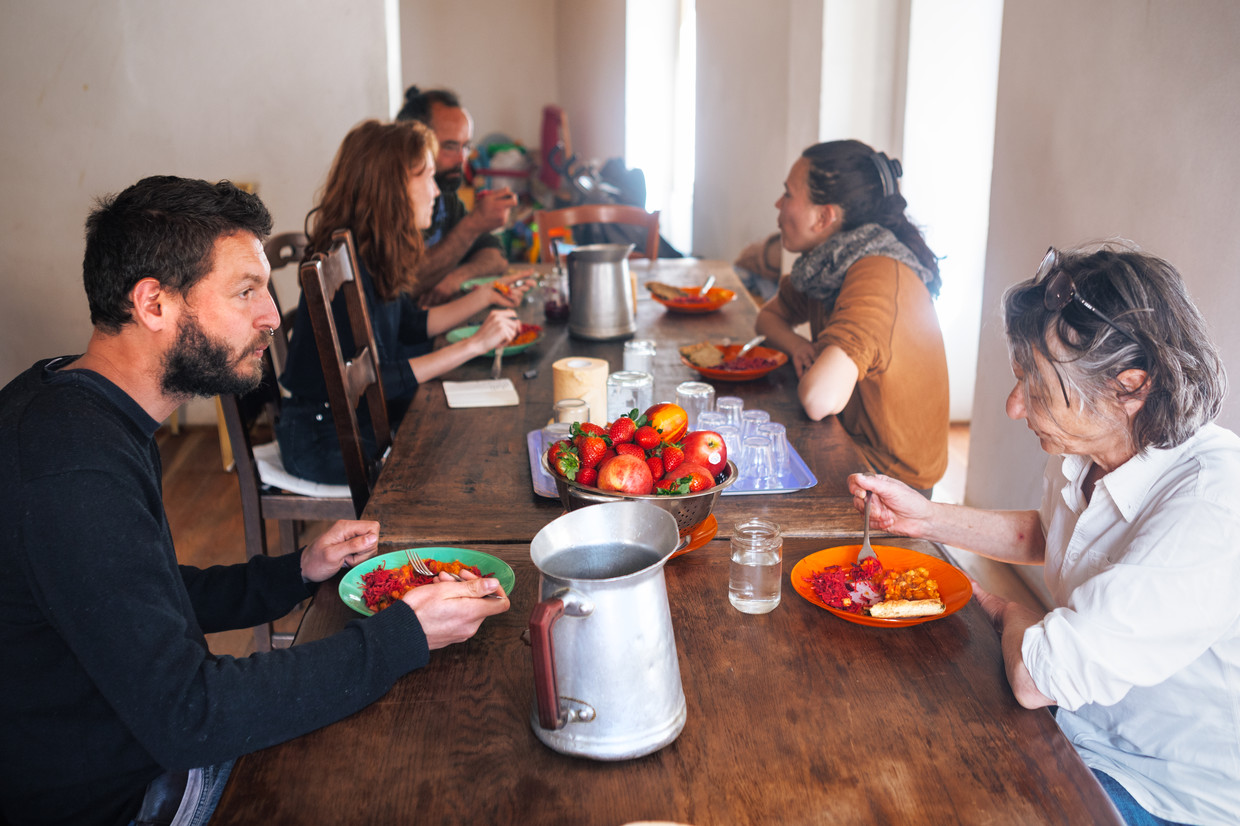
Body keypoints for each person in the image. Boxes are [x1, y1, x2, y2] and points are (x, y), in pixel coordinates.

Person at [0, 175, 511, 826]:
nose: (271, 315)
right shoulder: (72, 469)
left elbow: (128, 598)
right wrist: (402, 635)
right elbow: (191, 715)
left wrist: (292, 573)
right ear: (153, 304)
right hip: (127, 798)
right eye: (246, 291)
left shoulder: (73, 408)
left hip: (140, 744)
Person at [850, 245, 1239, 825]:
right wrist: (924, 519)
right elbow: (1051, 534)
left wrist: (1013, 614)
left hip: (1161, 789)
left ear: (1128, 388)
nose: (1014, 406)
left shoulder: (1212, 505)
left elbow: (1036, 678)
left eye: (1035, 385)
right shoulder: (1091, 446)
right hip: (1078, 729)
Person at [277, 119, 530, 485]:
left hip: (353, 424)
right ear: (392, 189)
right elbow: (379, 379)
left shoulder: (369, 249)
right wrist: (476, 344)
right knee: (463, 461)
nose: (436, 192)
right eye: (426, 177)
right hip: (325, 441)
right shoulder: (349, 266)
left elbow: (411, 323)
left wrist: (485, 296)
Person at [755, 140, 948, 492]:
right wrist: (798, 345)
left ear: (825, 216)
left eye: (788, 194)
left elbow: (819, 398)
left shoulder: (878, 271)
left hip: (890, 485)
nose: (778, 205)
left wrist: (812, 363)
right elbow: (767, 318)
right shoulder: (828, 264)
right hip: (846, 448)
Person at [396, 85, 518, 305]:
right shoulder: (389, 204)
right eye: (451, 147)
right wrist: (471, 226)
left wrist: (456, 278)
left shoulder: (444, 196)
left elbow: (496, 256)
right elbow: (399, 288)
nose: (462, 160)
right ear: (413, 144)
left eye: (466, 146)